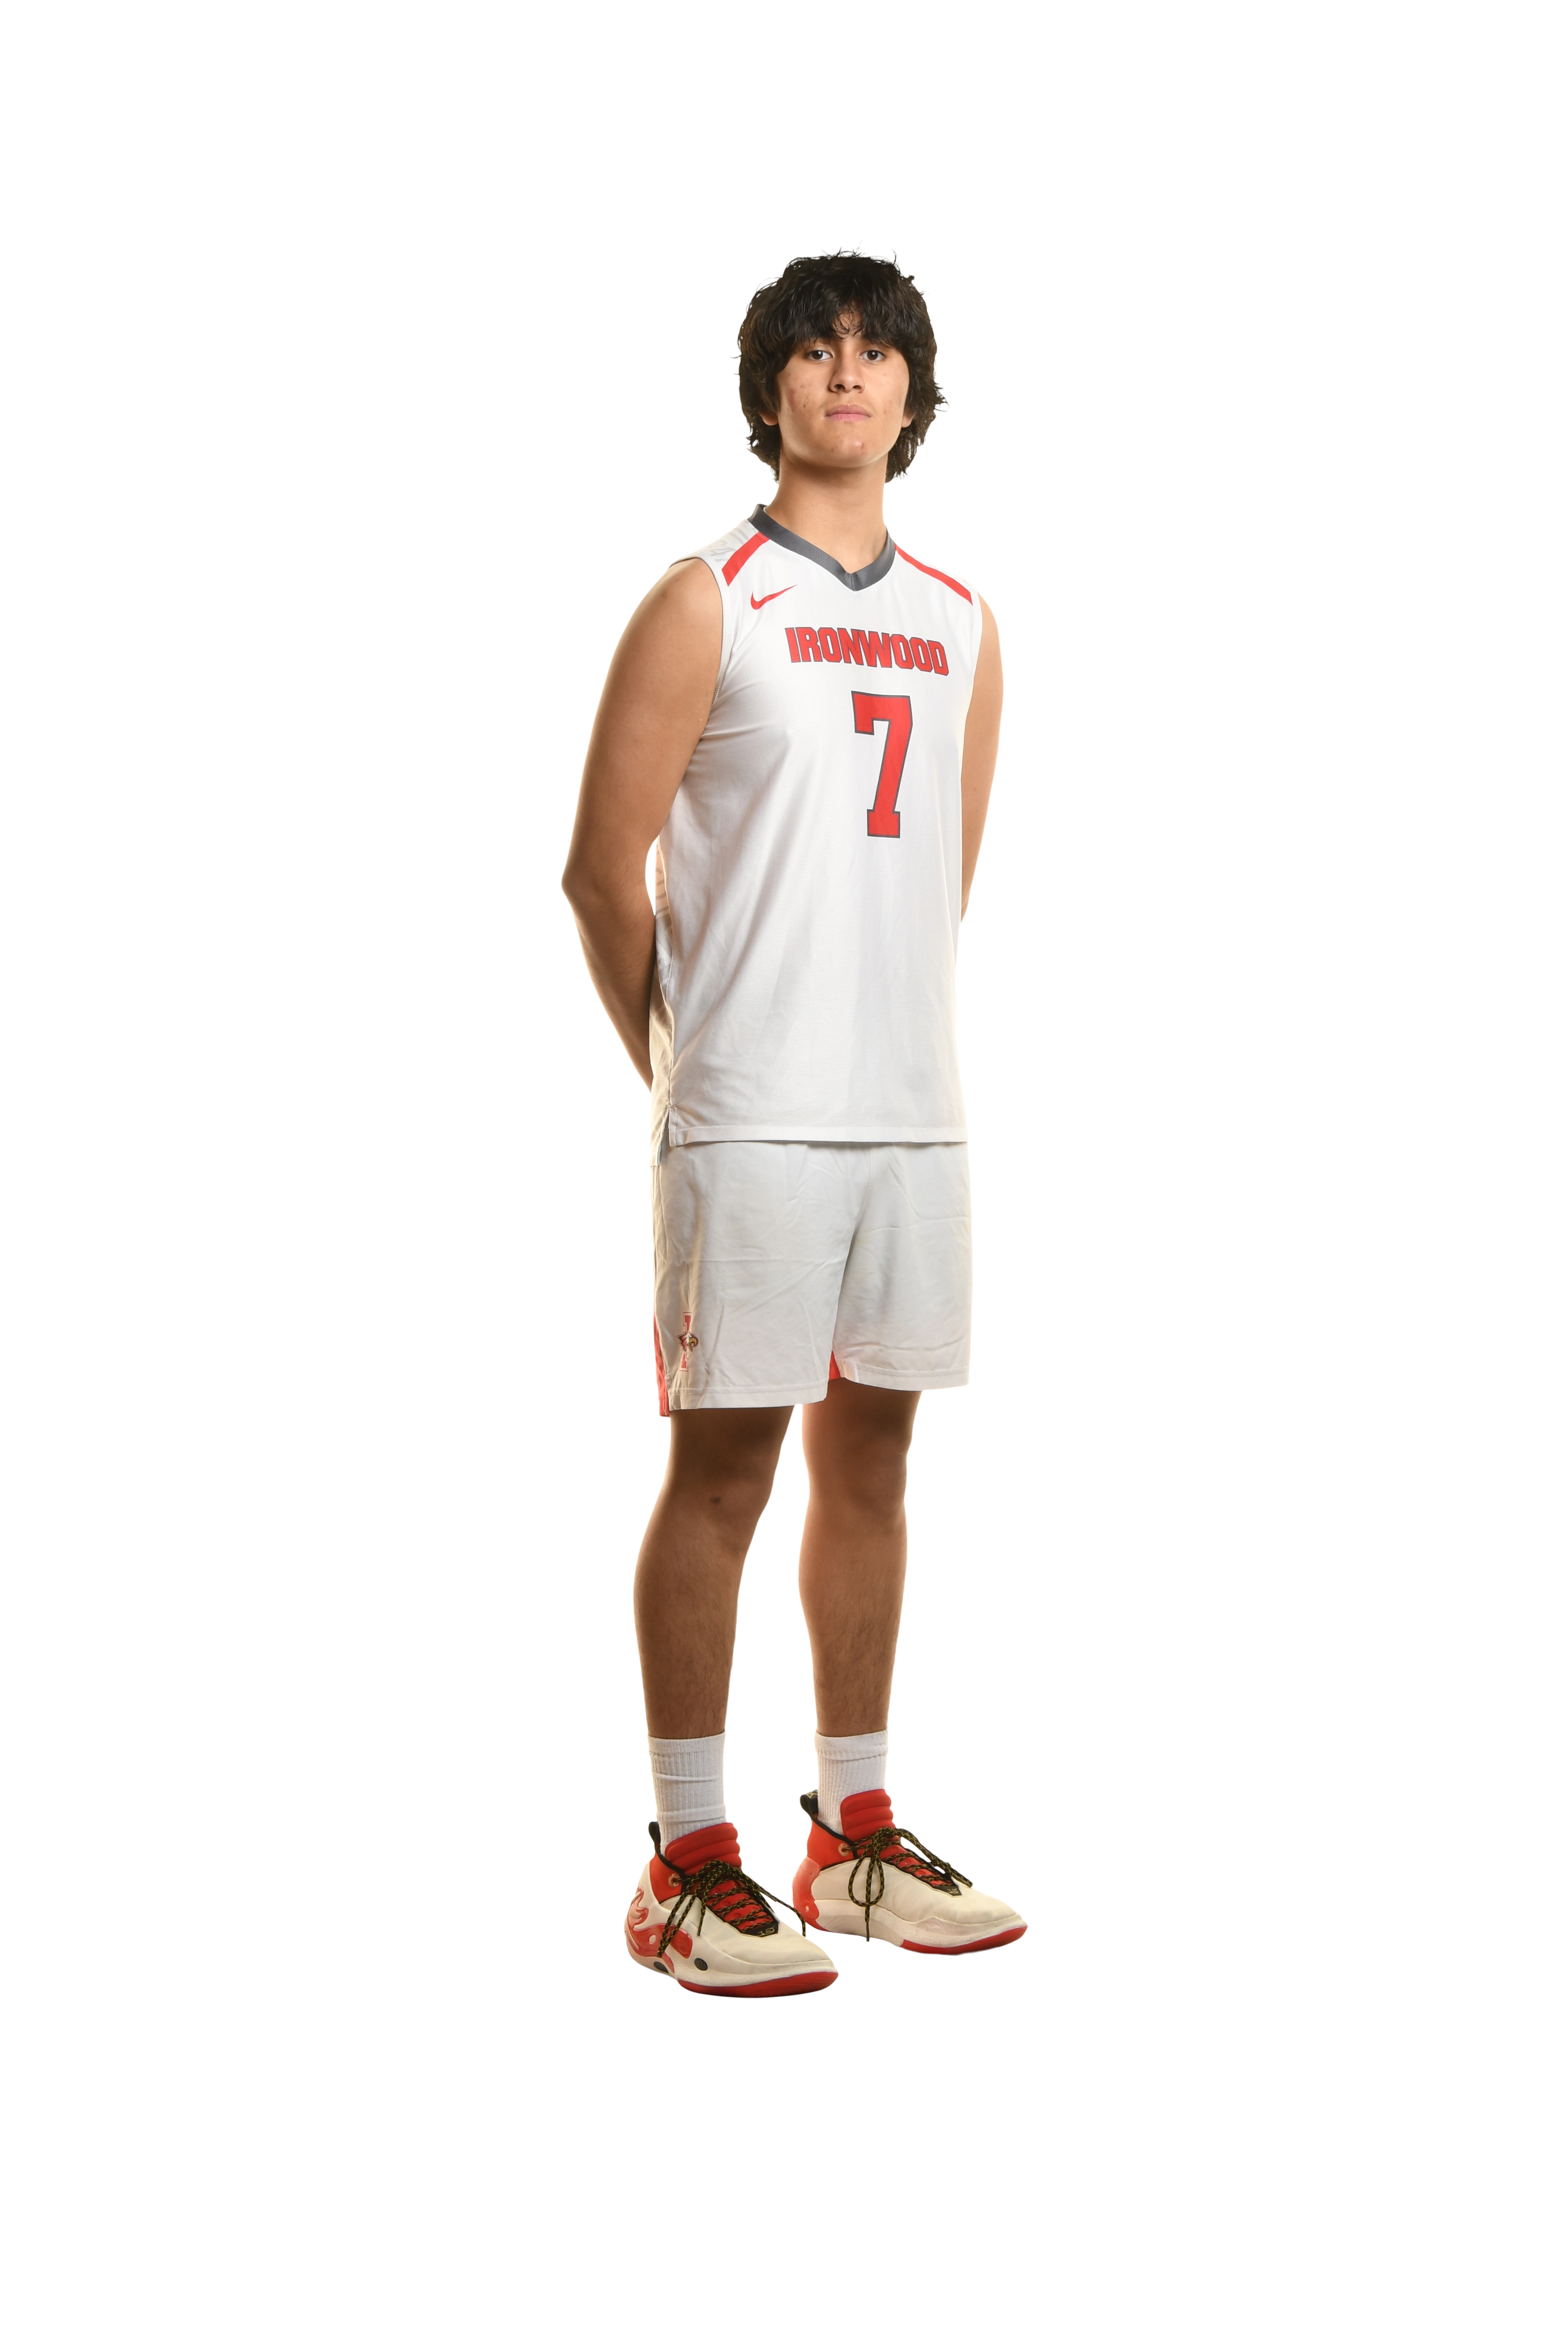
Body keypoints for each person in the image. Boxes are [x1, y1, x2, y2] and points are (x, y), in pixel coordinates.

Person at [561, 224, 1025, 1996]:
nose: (848, 368)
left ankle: (852, 1840)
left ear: (915, 392)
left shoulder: (965, 625)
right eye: (816, 344)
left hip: (909, 1113)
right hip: (748, 1121)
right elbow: (600, 873)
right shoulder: (707, 598)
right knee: (726, 1472)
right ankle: (687, 1867)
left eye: (878, 346)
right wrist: (688, 1074)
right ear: (770, 387)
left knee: (877, 1463)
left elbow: (942, 881)